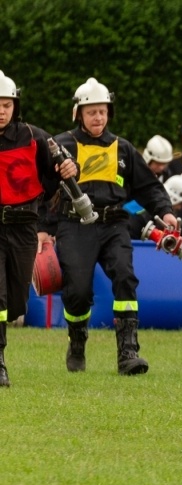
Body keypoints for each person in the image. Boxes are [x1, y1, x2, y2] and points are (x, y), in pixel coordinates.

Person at [43, 77, 178, 375]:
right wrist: (44, 229)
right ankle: (77, 341)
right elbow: (42, 188)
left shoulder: (124, 149)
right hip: (74, 226)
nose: (98, 117)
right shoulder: (60, 145)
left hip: (115, 224)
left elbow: (149, 187)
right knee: (77, 291)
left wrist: (165, 211)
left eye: (103, 111)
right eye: (92, 112)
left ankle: (128, 353)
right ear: (78, 113)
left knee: (125, 278)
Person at [0, 70, 75, 387]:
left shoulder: (35, 138)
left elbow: (60, 171)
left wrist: (72, 166)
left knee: (16, 301)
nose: (1, 111)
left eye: (6, 105)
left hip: (24, 228)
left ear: (15, 106)